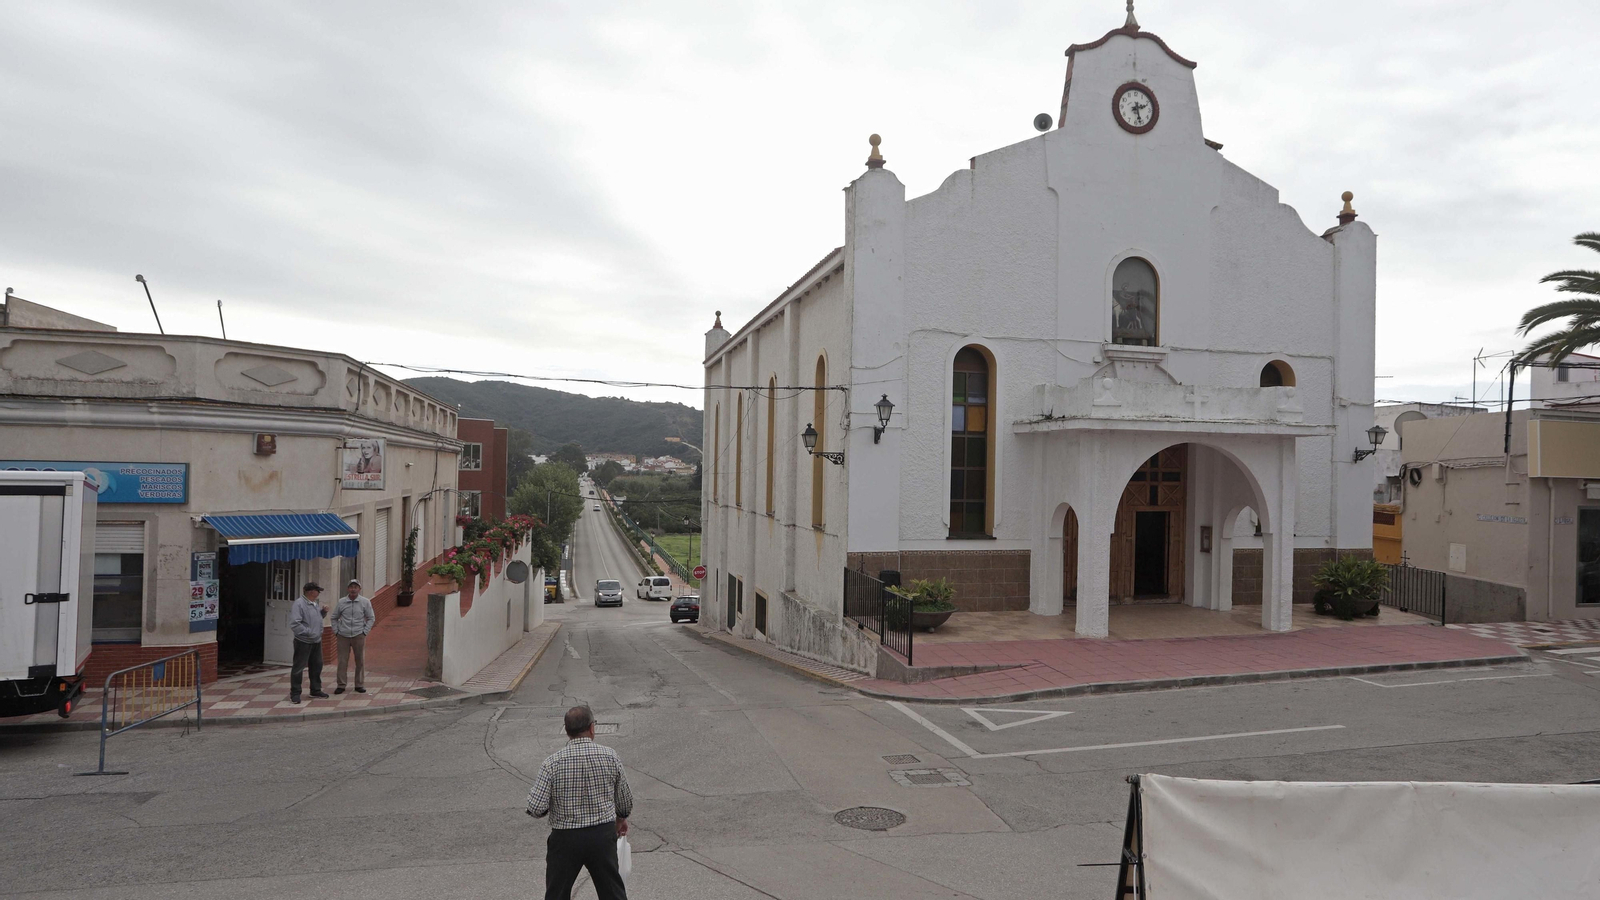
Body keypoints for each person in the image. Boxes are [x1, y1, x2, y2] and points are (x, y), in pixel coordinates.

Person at [527, 706, 633, 900]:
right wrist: (620, 820)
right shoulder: (610, 756)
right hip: (602, 836)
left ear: (567, 731)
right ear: (592, 728)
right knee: (612, 893)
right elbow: (625, 802)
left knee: (557, 893)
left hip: (565, 839)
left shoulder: (552, 763)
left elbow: (536, 808)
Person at [288, 582, 330, 704]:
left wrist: (323, 613)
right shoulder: (299, 604)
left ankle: (315, 690)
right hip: (303, 641)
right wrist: (309, 632)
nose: (318, 593)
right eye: (318, 591)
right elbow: (295, 624)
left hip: (316, 641)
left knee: (317, 665)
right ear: (311, 592)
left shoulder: (314, 604)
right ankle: (295, 693)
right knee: (298, 668)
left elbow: (315, 619)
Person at [331, 579, 375, 694]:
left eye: (356, 587)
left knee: (360, 660)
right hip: (343, 636)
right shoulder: (341, 602)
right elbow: (334, 617)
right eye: (351, 587)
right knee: (342, 661)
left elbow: (371, 618)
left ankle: (359, 684)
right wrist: (336, 631)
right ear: (347, 589)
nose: (353, 589)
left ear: (359, 589)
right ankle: (341, 685)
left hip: (358, 635)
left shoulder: (365, 602)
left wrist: (365, 632)